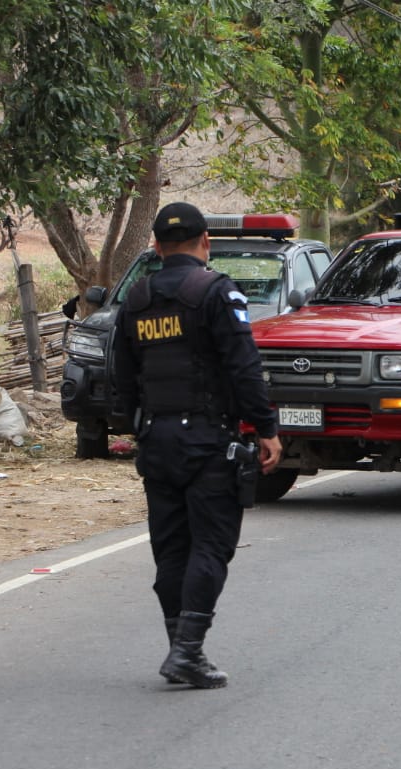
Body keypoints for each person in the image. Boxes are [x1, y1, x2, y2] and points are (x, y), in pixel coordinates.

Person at [111, 202, 282, 688]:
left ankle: (180, 649)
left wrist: (139, 426)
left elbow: (121, 375)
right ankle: (187, 652)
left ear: (157, 248)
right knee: (211, 543)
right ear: (206, 242)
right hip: (208, 440)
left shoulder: (137, 300)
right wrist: (266, 427)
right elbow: (243, 366)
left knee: (171, 548)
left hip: (156, 441)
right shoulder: (216, 292)